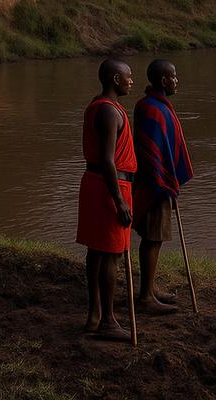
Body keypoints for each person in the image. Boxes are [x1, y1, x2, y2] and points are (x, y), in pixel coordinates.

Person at [75, 58, 136, 339]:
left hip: (95, 183)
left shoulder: (97, 104)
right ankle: (109, 321)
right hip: (109, 186)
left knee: (96, 252)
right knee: (111, 253)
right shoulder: (110, 112)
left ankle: (94, 316)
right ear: (115, 80)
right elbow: (109, 160)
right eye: (127, 77)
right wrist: (119, 201)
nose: (131, 81)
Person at [132, 59, 194, 312]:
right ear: (163, 80)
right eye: (173, 76)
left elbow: (166, 148)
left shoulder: (158, 106)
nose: (176, 81)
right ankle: (146, 296)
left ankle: (150, 287)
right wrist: (164, 179)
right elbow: (151, 151)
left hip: (159, 181)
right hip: (153, 183)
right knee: (153, 236)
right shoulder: (151, 108)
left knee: (155, 238)